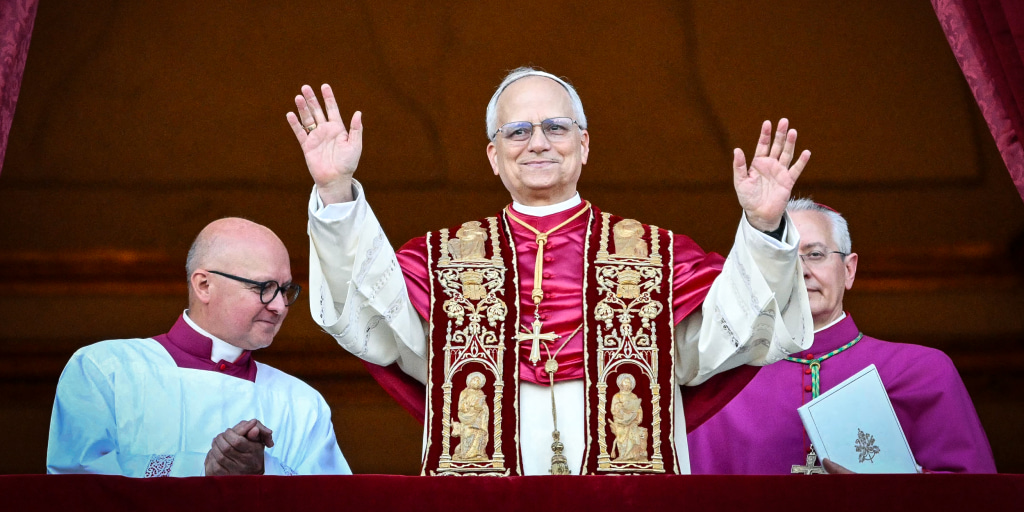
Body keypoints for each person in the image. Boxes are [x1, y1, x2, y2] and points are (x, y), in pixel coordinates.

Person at [288, 67, 814, 475]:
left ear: (584, 144)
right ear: (493, 156)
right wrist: (336, 194)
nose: (538, 142)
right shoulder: (442, 259)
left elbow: (735, 334)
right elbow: (370, 321)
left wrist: (764, 228)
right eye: (517, 131)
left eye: (555, 127)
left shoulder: (656, 254)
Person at [687, 199, 997, 474]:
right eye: (784, 259)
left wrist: (893, 495)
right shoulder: (719, 383)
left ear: (849, 270)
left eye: (816, 254)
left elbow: (979, 497)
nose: (801, 271)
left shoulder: (922, 370)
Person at [47, 218, 351, 477]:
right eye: (264, 288)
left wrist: (263, 471)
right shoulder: (105, 369)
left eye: (285, 290)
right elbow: (76, 484)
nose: (279, 306)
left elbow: (333, 501)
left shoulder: (302, 403)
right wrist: (199, 467)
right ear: (204, 285)